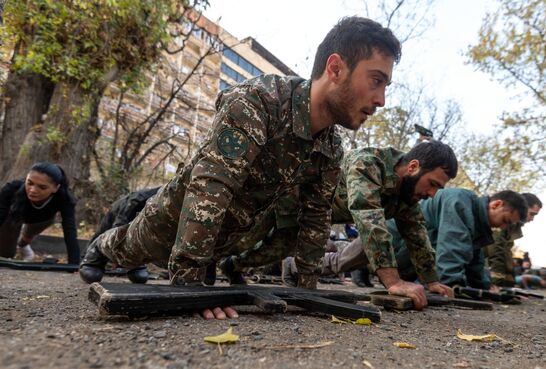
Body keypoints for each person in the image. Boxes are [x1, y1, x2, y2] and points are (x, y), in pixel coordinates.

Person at [80, 16, 402, 320]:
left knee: (201, 256)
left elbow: (316, 218)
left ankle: (193, 262)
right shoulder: (260, 101)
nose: (381, 99)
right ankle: (99, 247)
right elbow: (211, 187)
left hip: (231, 234)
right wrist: (188, 287)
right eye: (376, 80)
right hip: (175, 219)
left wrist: (307, 291)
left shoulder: (331, 147)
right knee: (130, 249)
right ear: (335, 68)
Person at [226, 140, 458, 309]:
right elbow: (369, 221)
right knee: (244, 237)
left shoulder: (407, 193)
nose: (432, 194)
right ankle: (204, 261)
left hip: (316, 217)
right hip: (290, 198)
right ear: (413, 167)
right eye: (432, 184)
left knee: (274, 250)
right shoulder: (368, 163)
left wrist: (431, 280)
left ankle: (232, 267)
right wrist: (394, 281)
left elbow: (417, 234)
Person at [393, 189, 527, 290]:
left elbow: (474, 258)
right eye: (505, 221)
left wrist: (484, 286)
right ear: (496, 204)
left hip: (407, 254)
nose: (503, 227)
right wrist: (452, 285)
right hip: (393, 248)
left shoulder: (476, 217)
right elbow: (451, 247)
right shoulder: (460, 202)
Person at [0, 162, 80, 264]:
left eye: (42, 187)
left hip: (42, 219)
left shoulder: (64, 198)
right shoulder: (11, 188)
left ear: (55, 188)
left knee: (30, 234)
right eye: (30, 183)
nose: (33, 190)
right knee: (6, 254)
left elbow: (70, 230)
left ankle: (23, 244)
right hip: (12, 217)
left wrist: (74, 263)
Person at [87, 187, 161, 283]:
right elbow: (119, 227)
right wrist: (114, 255)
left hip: (138, 218)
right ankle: (88, 260)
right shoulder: (139, 199)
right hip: (119, 210)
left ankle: (133, 265)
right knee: (100, 235)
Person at [485, 193, 542, 287]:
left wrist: (509, 284)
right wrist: (497, 282)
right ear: (523, 208)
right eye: (532, 214)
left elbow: (506, 253)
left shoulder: (513, 226)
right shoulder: (504, 220)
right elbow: (496, 249)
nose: (532, 219)